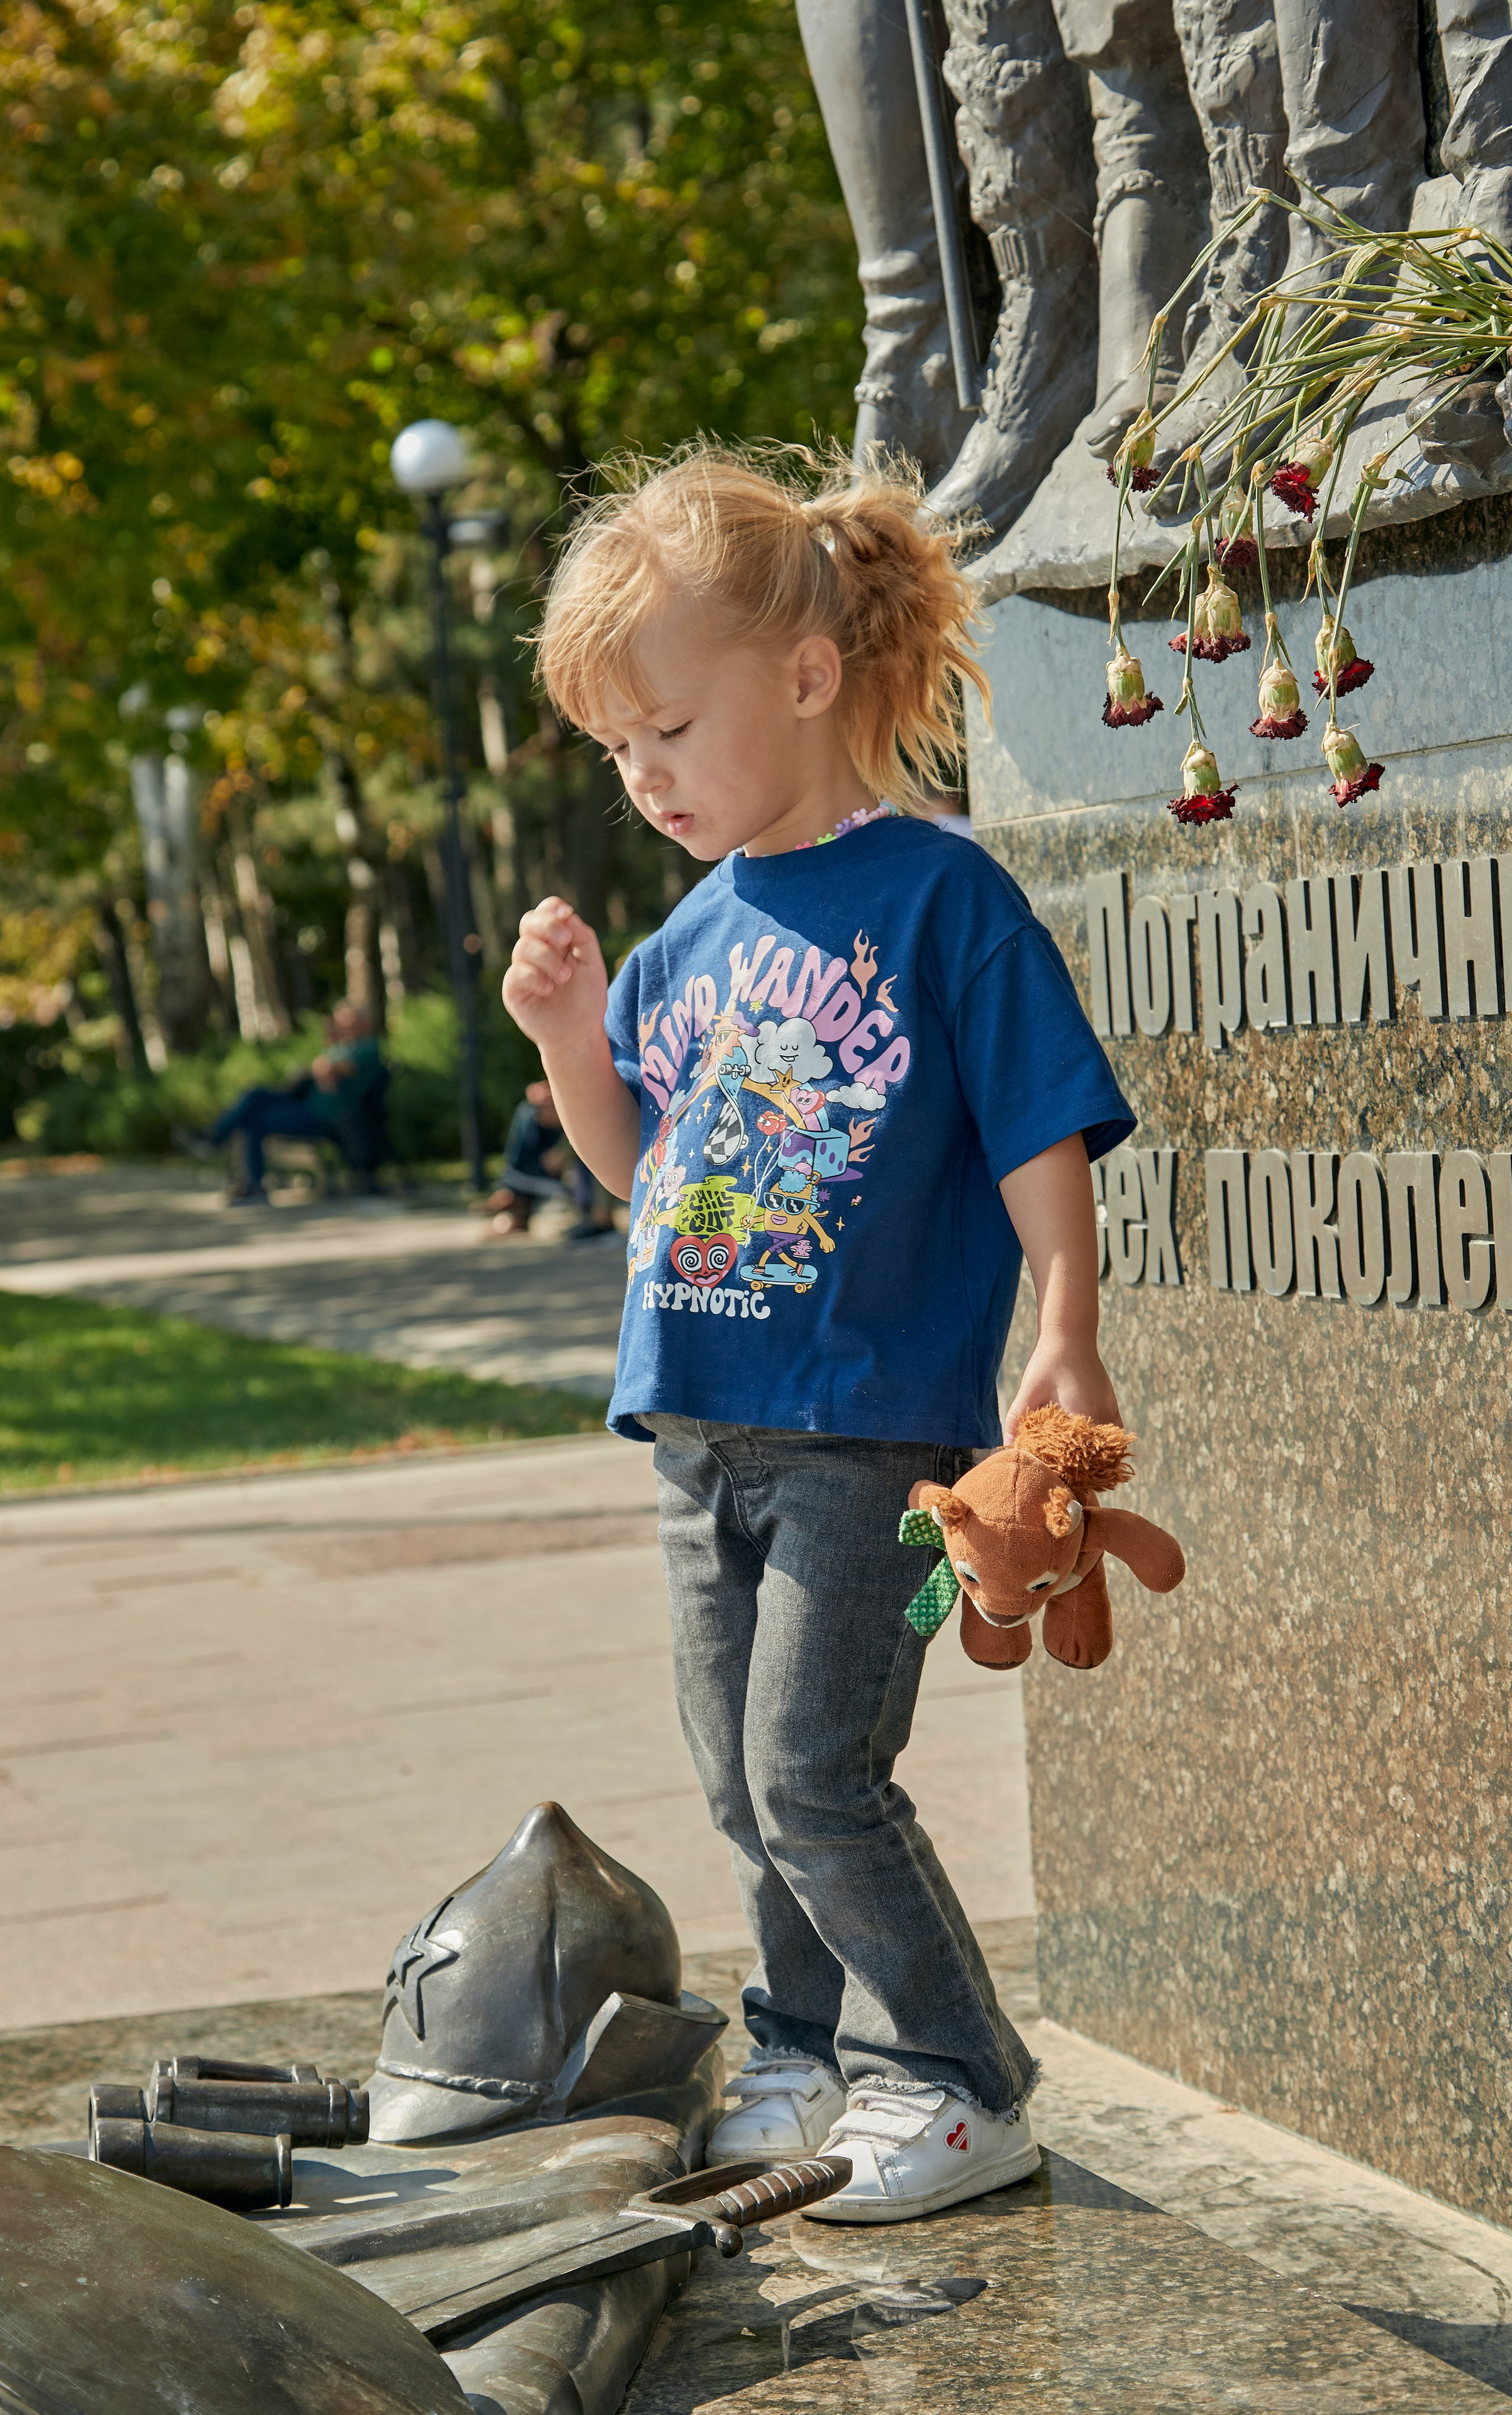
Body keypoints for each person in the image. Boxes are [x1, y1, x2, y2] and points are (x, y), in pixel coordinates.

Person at [501, 445, 1134, 2225]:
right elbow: (648, 1175)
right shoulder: (687, 942)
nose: (643, 781)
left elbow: (1035, 1123)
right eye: (616, 752)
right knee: (736, 1775)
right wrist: (568, 1045)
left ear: (803, 676)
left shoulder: (943, 901)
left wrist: (1067, 1330)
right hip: (698, 1425)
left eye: (669, 733)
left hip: (878, 1438)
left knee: (815, 1770)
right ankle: (800, 2044)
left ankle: (956, 2078)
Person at [192, 1001, 385, 1203]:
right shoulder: (338, 1049)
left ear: (365, 1024)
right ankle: (216, 1142)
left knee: (255, 1120)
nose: (342, 1027)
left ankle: (225, 1154)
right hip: (306, 1109)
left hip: (326, 1118)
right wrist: (323, 1063)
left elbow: (333, 1069)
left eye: (347, 1022)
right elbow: (322, 1070)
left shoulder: (368, 1048)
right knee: (255, 1096)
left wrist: (322, 1068)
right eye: (339, 1022)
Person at [474, 1079, 615, 1240]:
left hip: (594, 1117)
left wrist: (559, 1098)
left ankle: (513, 1193)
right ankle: (514, 1196)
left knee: (532, 1115)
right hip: (579, 1117)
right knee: (528, 1111)